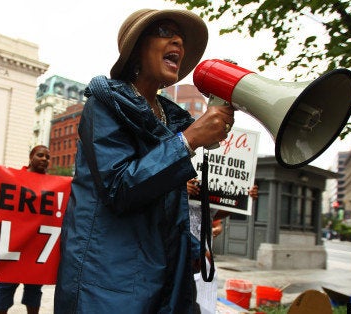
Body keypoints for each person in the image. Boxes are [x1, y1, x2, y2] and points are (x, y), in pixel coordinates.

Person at [54, 8, 235, 313]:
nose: (178, 40)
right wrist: (188, 141)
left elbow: (164, 209)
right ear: (137, 49)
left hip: (163, 282)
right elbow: (120, 188)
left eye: (181, 38)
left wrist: (191, 248)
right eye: (165, 32)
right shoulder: (103, 107)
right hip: (108, 284)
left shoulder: (171, 121)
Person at [0, 145, 50, 314]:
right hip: (13, 242)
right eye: (40, 155)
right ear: (31, 156)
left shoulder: (53, 185)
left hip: (36, 246)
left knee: (34, 289)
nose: (44, 159)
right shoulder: (14, 179)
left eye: (47, 157)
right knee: (4, 285)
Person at [187, 178, 258, 313]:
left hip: (204, 260)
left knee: (202, 303)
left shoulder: (205, 180)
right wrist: (179, 193)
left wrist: (244, 199)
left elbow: (215, 213)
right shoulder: (172, 178)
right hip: (181, 255)